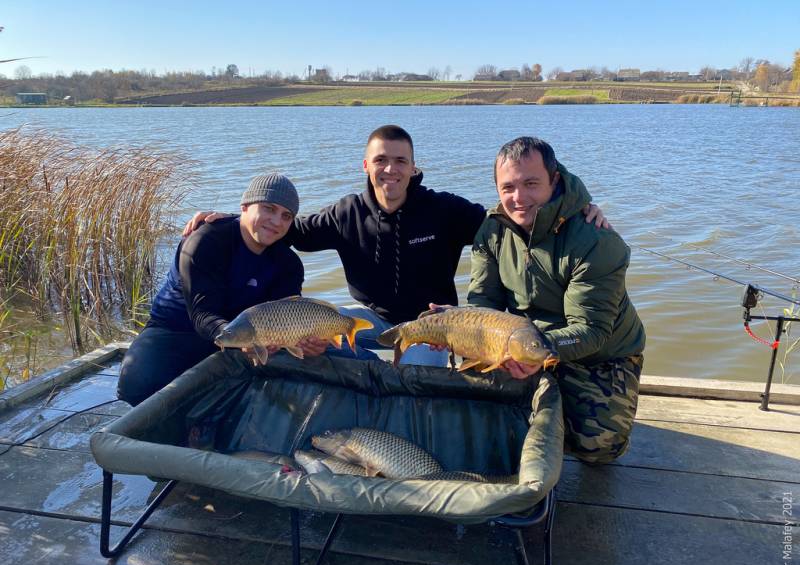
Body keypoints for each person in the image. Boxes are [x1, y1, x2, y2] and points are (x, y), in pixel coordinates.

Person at [185, 125, 609, 366]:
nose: (391, 169)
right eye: (382, 160)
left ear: (413, 166)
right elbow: (284, 227)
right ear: (366, 166)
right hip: (367, 321)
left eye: (400, 161)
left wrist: (575, 204)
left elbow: (509, 222)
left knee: (417, 377)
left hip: (432, 327)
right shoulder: (343, 213)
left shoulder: (444, 209)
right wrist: (231, 217)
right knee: (306, 339)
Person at [467, 136, 646, 464]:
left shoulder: (596, 241)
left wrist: (529, 353)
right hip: (523, 341)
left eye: (531, 183)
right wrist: (457, 330)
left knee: (599, 447)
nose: (519, 198)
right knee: (471, 406)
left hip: (599, 354)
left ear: (555, 181)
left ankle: (578, 407)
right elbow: (483, 306)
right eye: (507, 188)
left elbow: (591, 330)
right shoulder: (491, 231)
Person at [117, 173, 321, 407]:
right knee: (136, 386)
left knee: (284, 386)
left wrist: (306, 342)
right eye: (268, 208)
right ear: (244, 207)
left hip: (244, 336)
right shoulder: (205, 241)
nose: (276, 221)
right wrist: (241, 337)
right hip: (175, 330)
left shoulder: (289, 264)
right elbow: (202, 315)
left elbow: (287, 318)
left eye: (286, 216)